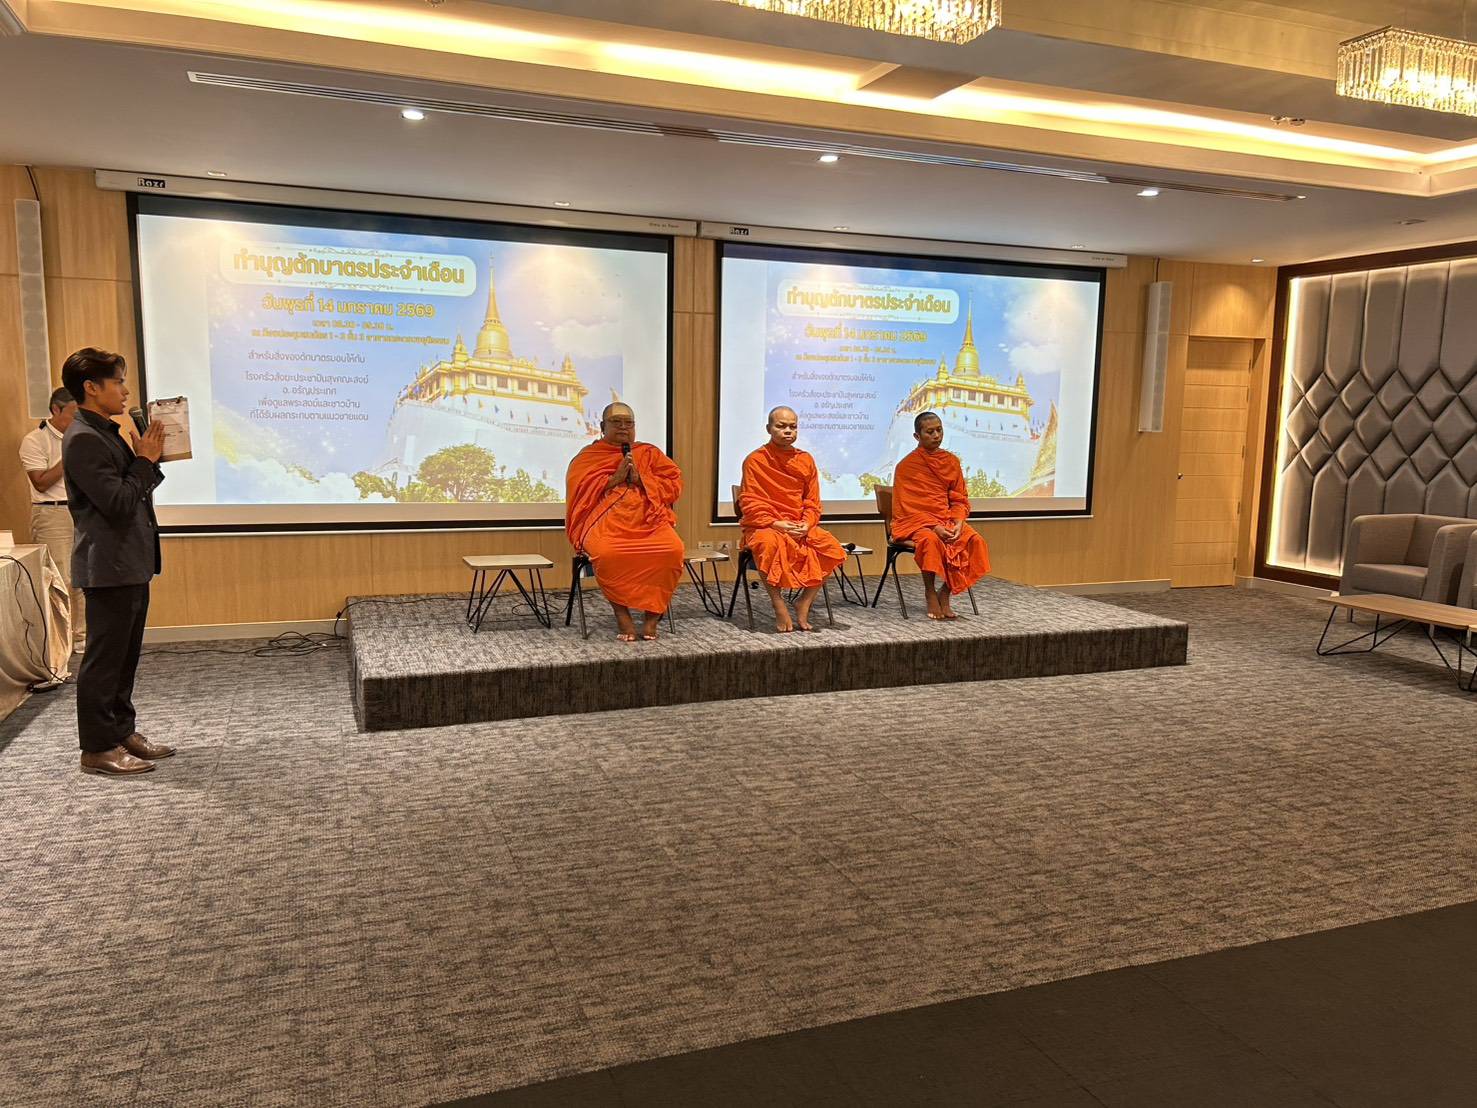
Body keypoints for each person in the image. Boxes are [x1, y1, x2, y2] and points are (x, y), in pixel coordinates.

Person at [61, 348, 173, 776]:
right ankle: (97, 747)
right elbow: (118, 502)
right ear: (91, 387)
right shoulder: (84, 437)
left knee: (125, 657)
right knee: (104, 660)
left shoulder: (105, 431)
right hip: (108, 565)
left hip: (128, 561)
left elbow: (133, 487)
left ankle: (122, 731)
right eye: (118, 382)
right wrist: (143, 459)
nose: (126, 391)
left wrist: (150, 457)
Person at [565, 402, 684, 642]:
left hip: (648, 520)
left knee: (672, 550)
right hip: (605, 523)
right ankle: (622, 614)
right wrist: (614, 479)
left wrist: (641, 480)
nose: (623, 427)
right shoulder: (588, 457)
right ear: (602, 426)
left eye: (628, 423)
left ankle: (652, 617)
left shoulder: (649, 453)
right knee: (608, 554)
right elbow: (579, 492)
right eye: (616, 422)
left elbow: (674, 485)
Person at [739, 406, 845, 632]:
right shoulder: (756, 460)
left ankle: (804, 602)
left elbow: (812, 500)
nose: (788, 431)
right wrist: (775, 523)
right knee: (768, 543)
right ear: (768, 428)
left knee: (832, 548)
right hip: (766, 524)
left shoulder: (805, 459)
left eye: (793, 427)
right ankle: (778, 604)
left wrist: (807, 524)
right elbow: (749, 501)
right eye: (781, 426)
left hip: (798, 523)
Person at [890, 410, 991, 620]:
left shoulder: (951, 462)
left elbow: (959, 498)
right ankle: (929, 592)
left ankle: (945, 593)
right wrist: (933, 526)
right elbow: (906, 509)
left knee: (975, 541)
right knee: (930, 540)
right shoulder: (906, 467)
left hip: (946, 519)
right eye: (930, 432)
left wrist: (959, 522)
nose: (936, 436)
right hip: (917, 524)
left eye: (939, 430)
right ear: (917, 436)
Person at [19, 387, 85, 652]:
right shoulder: (35, 440)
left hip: (83, 511)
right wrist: (69, 454)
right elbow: (41, 482)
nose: (78, 419)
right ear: (56, 409)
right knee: (59, 578)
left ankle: (81, 638)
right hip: (52, 513)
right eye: (74, 413)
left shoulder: (84, 437)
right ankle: (59, 642)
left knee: (84, 576)